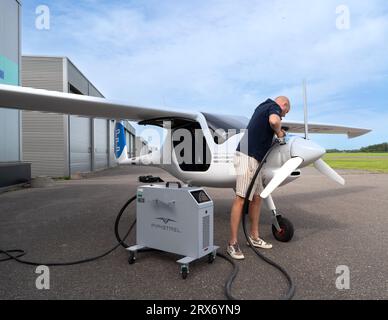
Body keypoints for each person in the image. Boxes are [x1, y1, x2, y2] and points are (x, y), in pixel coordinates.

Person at [227, 96, 291, 260]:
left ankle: (254, 237)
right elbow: (275, 121)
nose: (283, 117)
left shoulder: (262, 107)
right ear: (283, 105)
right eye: (285, 113)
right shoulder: (272, 106)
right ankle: (232, 243)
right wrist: (279, 132)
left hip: (255, 159)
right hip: (246, 157)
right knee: (241, 199)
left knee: (257, 198)